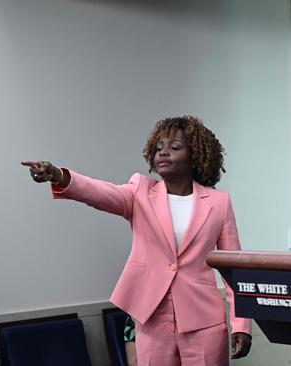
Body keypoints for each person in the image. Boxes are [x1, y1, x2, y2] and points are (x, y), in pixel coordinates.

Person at [22, 115, 251, 366]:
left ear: (195, 155)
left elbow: (234, 270)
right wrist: (58, 175)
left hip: (203, 320)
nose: (163, 152)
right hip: (151, 318)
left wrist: (241, 324)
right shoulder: (139, 191)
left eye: (174, 147)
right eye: (159, 147)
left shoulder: (219, 203)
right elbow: (98, 192)